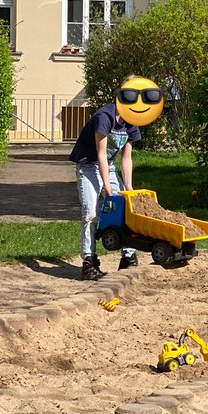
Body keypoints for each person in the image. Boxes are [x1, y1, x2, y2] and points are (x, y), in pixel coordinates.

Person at [68, 83, 143, 281]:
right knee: (91, 213)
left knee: (125, 208)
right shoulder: (104, 117)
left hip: (107, 166)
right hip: (88, 165)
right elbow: (101, 154)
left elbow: (126, 158)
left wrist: (129, 188)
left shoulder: (131, 122)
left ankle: (128, 256)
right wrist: (107, 188)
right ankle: (89, 261)